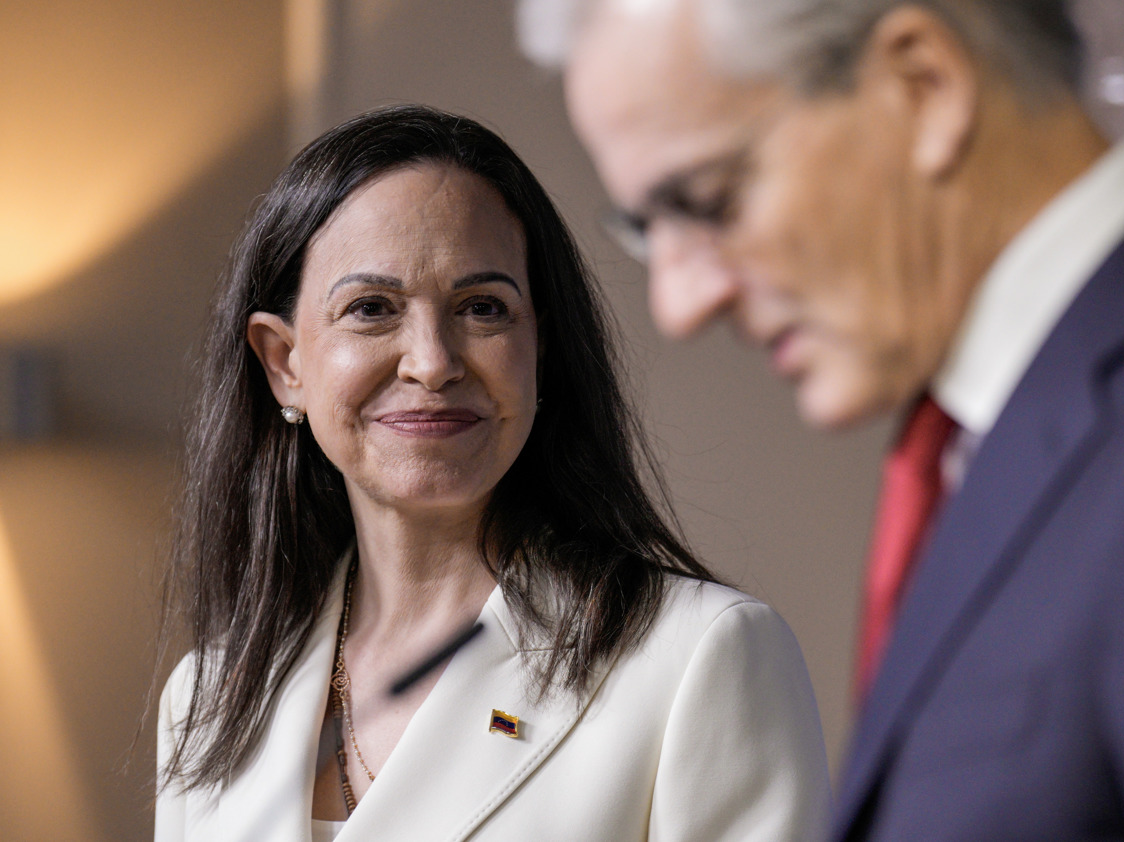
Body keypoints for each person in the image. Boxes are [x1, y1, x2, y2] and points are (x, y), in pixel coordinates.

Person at [518, 0, 1124, 839]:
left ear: (924, 86)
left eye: (710, 199)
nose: (682, 303)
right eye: (649, 228)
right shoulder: (1022, 431)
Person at [154, 104, 830, 842]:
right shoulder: (208, 698)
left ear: (540, 348)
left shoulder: (701, 656)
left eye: (482, 308)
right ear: (285, 365)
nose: (433, 361)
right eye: (372, 308)